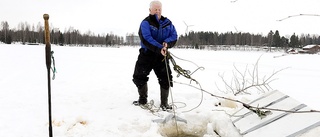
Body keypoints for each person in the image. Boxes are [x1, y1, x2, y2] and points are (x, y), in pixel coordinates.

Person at [132, 0, 178, 111]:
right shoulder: (145, 23)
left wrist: (167, 42)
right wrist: (159, 48)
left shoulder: (168, 23)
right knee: (139, 76)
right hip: (146, 54)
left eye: (159, 9)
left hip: (161, 57)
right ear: (150, 10)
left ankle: (164, 104)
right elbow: (146, 38)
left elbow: (174, 36)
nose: (157, 11)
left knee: (166, 78)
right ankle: (142, 100)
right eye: (155, 9)